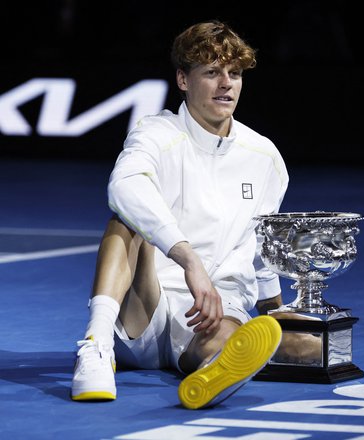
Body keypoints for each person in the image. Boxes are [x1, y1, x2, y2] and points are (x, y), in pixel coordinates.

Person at [70, 20, 289, 410]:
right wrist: (187, 257)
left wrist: (277, 313)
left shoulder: (264, 157)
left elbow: (260, 244)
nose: (226, 84)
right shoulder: (155, 133)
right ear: (183, 80)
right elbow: (123, 187)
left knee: (231, 338)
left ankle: (210, 369)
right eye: (212, 72)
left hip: (213, 311)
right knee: (127, 219)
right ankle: (96, 346)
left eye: (234, 73)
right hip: (145, 308)